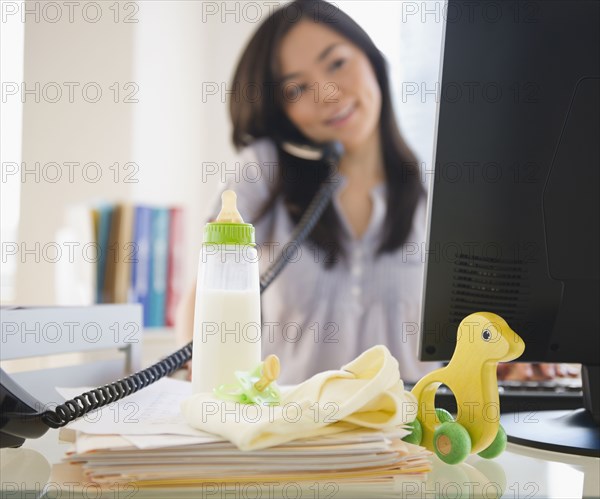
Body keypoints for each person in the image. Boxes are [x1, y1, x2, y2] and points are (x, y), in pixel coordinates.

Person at [177, 0, 576, 385]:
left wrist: (509, 359)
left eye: (337, 63)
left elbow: (476, 329)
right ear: (281, 112)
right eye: (296, 89)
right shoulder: (263, 169)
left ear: (372, 59)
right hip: (294, 437)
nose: (328, 95)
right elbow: (209, 285)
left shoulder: (443, 186)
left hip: (412, 435)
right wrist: (203, 367)